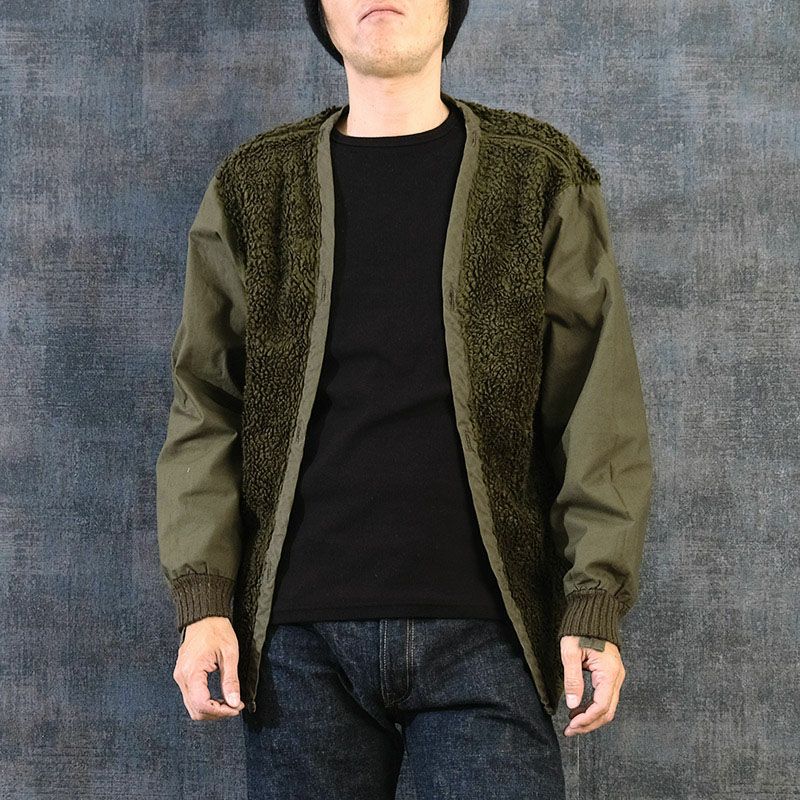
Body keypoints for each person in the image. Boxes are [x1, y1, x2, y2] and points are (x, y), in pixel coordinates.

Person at [155, 1, 654, 797]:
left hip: (490, 637)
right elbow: (206, 406)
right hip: (297, 649)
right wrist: (203, 600)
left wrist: (593, 600)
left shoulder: (539, 175)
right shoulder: (255, 185)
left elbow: (598, 409)